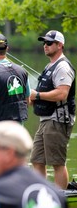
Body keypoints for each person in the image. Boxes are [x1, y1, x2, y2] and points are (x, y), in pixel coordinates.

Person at [30, 30, 75, 189]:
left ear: (60, 45)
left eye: (49, 43)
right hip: (46, 120)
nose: (45, 46)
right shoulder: (50, 66)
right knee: (37, 159)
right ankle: (40, 193)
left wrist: (38, 96)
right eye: (44, 43)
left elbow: (62, 94)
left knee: (57, 163)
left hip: (58, 120)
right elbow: (39, 95)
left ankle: (60, 197)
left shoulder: (62, 67)